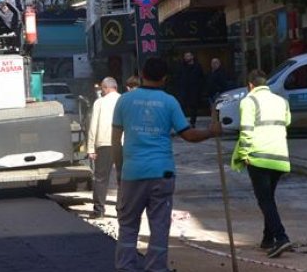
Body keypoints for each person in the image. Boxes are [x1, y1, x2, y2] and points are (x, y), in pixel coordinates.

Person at [112, 57, 221, 271]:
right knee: (160, 226)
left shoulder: (124, 101)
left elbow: (116, 140)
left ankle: (125, 267)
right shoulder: (169, 102)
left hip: (132, 173)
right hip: (162, 173)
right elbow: (188, 135)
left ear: (142, 74)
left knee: (128, 225)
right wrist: (211, 131)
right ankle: (156, 268)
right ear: (164, 78)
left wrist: (119, 171)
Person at [231, 69, 293, 259]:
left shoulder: (249, 101)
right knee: (269, 198)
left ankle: (281, 238)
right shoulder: (281, 101)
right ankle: (268, 238)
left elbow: (247, 131)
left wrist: (243, 154)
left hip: (258, 156)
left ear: (250, 85)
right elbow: (288, 122)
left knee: (264, 199)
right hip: (280, 155)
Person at [86, 77, 121, 219]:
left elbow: (93, 125)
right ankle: (122, 211)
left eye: (102, 88)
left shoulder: (99, 102)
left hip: (104, 143)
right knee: (123, 178)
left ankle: (99, 211)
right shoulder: (124, 100)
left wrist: (90, 148)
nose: (101, 91)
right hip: (122, 144)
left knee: (101, 178)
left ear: (106, 88)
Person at [177, 51, 205, 128]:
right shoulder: (182, 67)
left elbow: (201, 78)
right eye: (185, 56)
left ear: (192, 57)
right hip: (184, 90)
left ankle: (192, 122)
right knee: (182, 106)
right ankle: (182, 123)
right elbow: (179, 77)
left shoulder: (197, 66)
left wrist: (200, 89)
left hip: (194, 90)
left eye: (188, 56)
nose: (187, 58)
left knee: (194, 107)